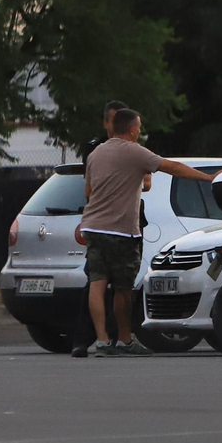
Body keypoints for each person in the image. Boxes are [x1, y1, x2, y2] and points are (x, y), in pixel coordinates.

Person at [76, 109, 216, 357]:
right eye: (139, 127)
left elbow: (88, 192)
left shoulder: (96, 154)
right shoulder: (135, 151)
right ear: (131, 129)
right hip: (121, 231)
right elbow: (171, 167)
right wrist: (208, 178)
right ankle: (125, 340)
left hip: (93, 227)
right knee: (123, 287)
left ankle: (100, 340)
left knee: (97, 283)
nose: (139, 131)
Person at [71, 100, 150, 358]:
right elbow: (150, 178)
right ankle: (99, 340)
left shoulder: (108, 152)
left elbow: (89, 190)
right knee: (112, 284)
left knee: (102, 282)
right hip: (116, 227)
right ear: (108, 123)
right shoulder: (100, 150)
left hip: (106, 224)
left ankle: (109, 339)